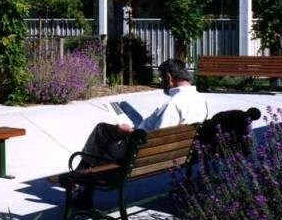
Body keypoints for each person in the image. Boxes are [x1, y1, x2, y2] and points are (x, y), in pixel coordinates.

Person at [68, 58, 208, 207]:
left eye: (162, 79)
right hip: (179, 153)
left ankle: (79, 181)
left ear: (169, 77)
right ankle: (80, 178)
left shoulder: (173, 104)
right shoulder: (200, 99)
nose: (161, 83)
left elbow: (156, 140)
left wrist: (130, 132)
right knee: (104, 132)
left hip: (142, 155)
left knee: (101, 135)